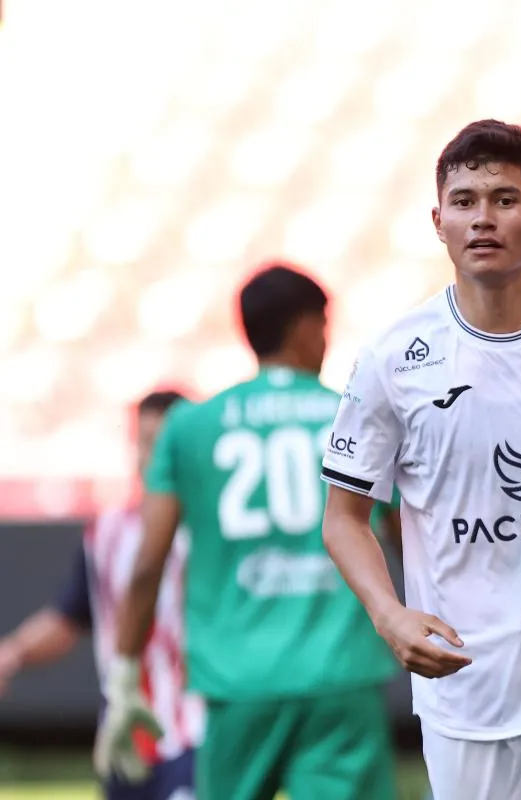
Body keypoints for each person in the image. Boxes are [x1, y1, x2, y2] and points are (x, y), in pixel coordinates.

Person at [321, 119, 521, 800]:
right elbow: (344, 518)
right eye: (464, 201)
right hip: (461, 691)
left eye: (504, 199)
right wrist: (390, 615)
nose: (483, 218)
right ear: (438, 222)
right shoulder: (393, 358)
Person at [100, 264, 399, 800]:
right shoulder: (353, 416)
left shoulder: (190, 426)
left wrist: (124, 675)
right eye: (323, 324)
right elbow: (405, 537)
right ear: (305, 326)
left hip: (236, 680)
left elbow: (148, 564)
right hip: (339, 673)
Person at [0, 390, 202, 800]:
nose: (153, 457)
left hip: (195, 733)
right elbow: (70, 616)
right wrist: (13, 652)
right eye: (145, 442)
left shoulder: (213, 530)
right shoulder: (107, 533)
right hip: (124, 735)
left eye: (164, 444)